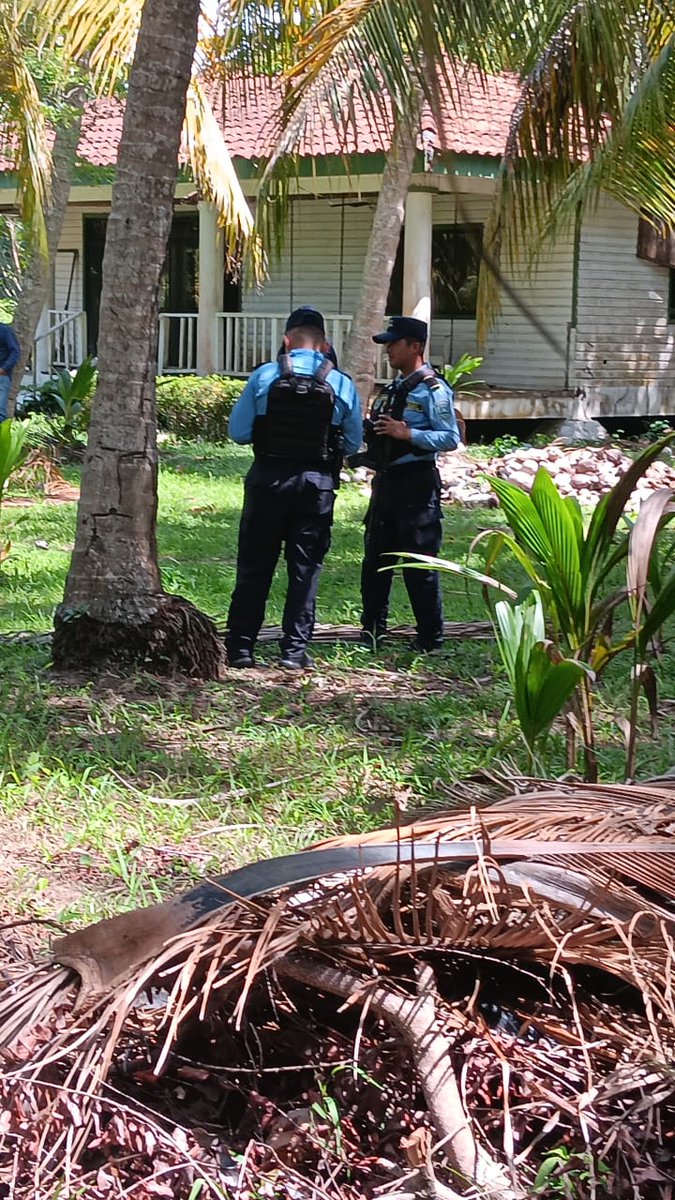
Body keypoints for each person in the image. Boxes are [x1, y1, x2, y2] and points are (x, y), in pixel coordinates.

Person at [225, 306, 362, 670]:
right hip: (315, 487)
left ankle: (240, 649)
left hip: (267, 481)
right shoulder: (342, 383)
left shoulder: (265, 375)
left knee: (255, 567)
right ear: (324, 345)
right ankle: (293, 652)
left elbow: (237, 432)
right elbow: (351, 444)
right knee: (305, 570)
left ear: (287, 340)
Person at [359, 315, 460, 653]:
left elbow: (450, 437)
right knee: (375, 560)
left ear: (415, 346)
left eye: (394, 342)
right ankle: (372, 632)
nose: (388, 349)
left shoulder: (435, 390)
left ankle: (430, 638)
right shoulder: (392, 389)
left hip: (416, 485)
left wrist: (409, 433)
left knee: (419, 565)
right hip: (385, 483)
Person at [0, 321, 20, 421]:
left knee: (0, 412)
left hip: (1, 376)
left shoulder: (4, 330)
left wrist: (4, 368)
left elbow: (15, 351)